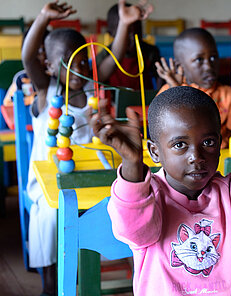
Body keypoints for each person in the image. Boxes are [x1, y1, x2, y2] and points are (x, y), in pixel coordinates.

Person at [91, 86, 231, 295]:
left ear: (219, 143)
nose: (196, 156)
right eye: (180, 144)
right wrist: (132, 164)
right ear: (155, 152)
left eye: (208, 142)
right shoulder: (149, 196)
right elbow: (133, 228)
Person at [21, 2, 94, 295]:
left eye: (82, 60)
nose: (78, 69)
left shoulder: (91, 91)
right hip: (48, 183)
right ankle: (50, 283)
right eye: (67, 61)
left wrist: (125, 25)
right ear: (49, 66)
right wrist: (43, 18)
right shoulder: (47, 91)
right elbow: (27, 56)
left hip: (89, 178)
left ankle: (90, 277)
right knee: (50, 217)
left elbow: (108, 58)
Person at [155, 28, 231, 148]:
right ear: (180, 66)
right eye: (199, 59)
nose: (209, 66)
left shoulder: (226, 94)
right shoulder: (170, 91)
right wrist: (175, 89)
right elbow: (164, 129)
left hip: (220, 157)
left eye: (213, 57)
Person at [96, 0, 161, 91]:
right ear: (111, 33)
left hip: (144, 102)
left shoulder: (150, 51)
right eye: (126, 32)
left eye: (137, 30)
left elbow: (160, 77)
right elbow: (97, 79)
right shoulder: (106, 55)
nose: (133, 37)